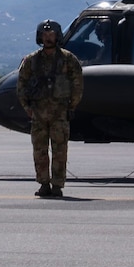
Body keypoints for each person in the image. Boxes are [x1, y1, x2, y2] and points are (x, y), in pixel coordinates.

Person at [17, 19, 83, 198]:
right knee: (40, 151)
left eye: (51, 34)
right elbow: (21, 84)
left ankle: (57, 185)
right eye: (45, 34)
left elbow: (78, 84)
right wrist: (26, 106)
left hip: (60, 113)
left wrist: (71, 105)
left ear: (57, 36)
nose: (48, 37)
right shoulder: (31, 61)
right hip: (38, 114)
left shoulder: (68, 59)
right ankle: (44, 183)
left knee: (59, 151)